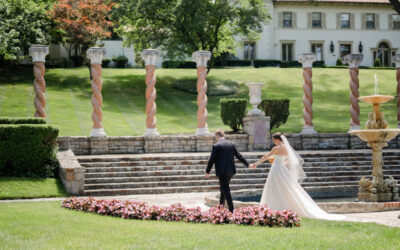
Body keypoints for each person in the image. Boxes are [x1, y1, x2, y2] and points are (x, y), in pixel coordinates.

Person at [250, 132, 345, 220]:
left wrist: (256, 163)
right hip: (283, 170)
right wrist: (281, 162)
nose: (273, 141)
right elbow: (289, 161)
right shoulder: (287, 148)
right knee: (287, 188)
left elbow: (265, 157)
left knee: (274, 187)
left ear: (276, 139)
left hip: (276, 170)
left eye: (273, 139)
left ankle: (273, 207)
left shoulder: (276, 148)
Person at [206, 129, 251, 212]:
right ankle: (221, 206)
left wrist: (207, 171)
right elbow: (239, 156)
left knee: (225, 189)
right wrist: (248, 164)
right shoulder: (231, 144)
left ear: (216, 136)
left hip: (222, 171)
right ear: (223, 135)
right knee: (223, 188)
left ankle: (231, 210)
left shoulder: (216, 146)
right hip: (231, 171)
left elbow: (211, 159)